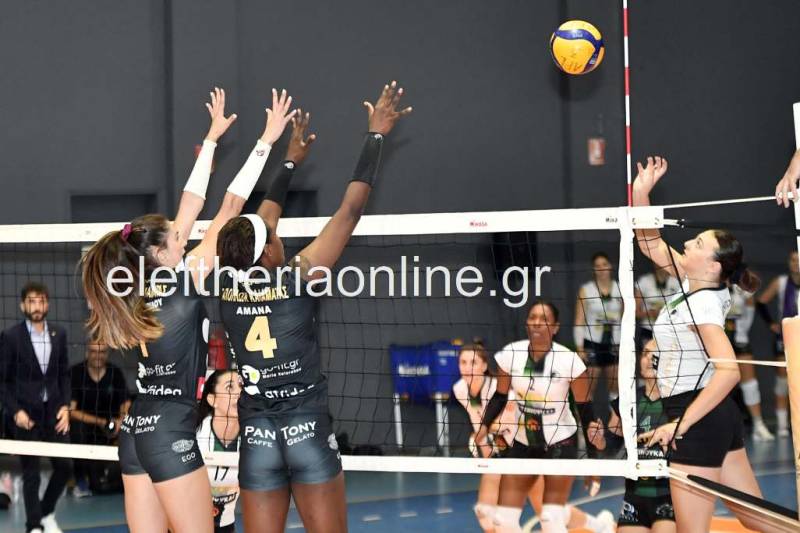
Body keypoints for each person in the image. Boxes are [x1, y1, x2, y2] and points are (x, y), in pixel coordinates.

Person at [81, 87, 296, 533]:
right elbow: (230, 205)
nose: (186, 235)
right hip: (170, 430)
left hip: (137, 430)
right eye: (177, 237)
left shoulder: (136, 286)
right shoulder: (187, 277)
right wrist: (266, 142)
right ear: (162, 253)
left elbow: (190, 204)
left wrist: (212, 139)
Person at [216, 80, 411, 533]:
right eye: (275, 238)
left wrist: (289, 161)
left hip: (258, 436)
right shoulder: (297, 278)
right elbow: (349, 211)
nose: (279, 235)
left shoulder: (225, 285)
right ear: (267, 252)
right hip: (306, 429)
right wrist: (376, 135)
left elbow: (262, 222)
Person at [632, 155, 767, 533]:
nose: (687, 242)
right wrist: (641, 192)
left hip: (696, 415)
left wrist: (680, 424)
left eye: (698, 243)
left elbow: (729, 371)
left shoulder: (704, 304)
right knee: (757, 518)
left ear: (712, 266)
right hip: (713, 414)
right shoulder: (693, 289)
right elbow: (649, 242)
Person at [473, 301, 605, 533]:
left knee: (550, 518)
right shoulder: (511, 354)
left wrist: (593, 464)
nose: (536, 323)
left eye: (544, 319)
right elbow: (499, 396)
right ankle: (599, 525)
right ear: (526, 323)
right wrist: (483, 427)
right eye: (532, 317)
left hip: (561, 442)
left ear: (555, 327)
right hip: (524, 442)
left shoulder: (569, 361)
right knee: (502, 521)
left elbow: (586, 411)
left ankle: (598, 525)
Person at [0, 282, 71, 533]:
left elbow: (64, 374)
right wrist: (15, 411)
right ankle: (34, 526)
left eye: (41, 301)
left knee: (65, 467)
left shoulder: (59, 333)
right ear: (23, 305)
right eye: (32, 301)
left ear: (47, 304)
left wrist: (66, 407)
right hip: (25, 414)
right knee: (31, 474)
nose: (37, 306)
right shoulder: (11, 337)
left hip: (54, 412)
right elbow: (3, 381)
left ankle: (45, 512)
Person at [588, 340, 675, 533]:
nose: (649, 359)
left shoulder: (678, 401)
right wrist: (600, 440)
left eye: (655, 354)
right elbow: (612, 445)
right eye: (645, 353)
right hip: (635, 496)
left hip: (670, 495)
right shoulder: (628, 400)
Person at [70, 337, 131, 496]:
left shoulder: (115, 372)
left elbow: (126, 401)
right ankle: (80, 480)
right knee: (77, 429)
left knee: (130, 428)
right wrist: (101, 422)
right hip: (86, 427)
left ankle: (124, 478)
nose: (98, 355)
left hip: (110, 429)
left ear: (107, 354)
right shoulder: (76, 372)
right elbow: (71, 411)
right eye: (94, 351)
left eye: (102, 352)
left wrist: (121, 420)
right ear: (87, 353)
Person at [755, 249, 798, 438]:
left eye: (799, 260)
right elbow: (761, 301)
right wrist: (772, 324)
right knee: (783, 381)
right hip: (786, 338)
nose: (796, 264)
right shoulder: (781, 282)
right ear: (788, 263)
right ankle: (782, 426)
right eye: (793, 260)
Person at [726, 285, 774, 441]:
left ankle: (758, 425)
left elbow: (750, 309)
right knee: (711, 383)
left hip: (739, 340)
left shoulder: (740, 286)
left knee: (750, 384)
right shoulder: (706, 284)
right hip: (715, 341)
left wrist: (742, 333)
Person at [196, 369, 241, 533]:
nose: (239, 393)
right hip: (187, 521)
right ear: (212, 399)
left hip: (226, 523)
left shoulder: (253, 435)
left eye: (241, 386)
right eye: (230, 387)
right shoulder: (195, 435)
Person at [574, 252, 622, 399]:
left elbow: (625, 319)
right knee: (588, 387)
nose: (601, 268)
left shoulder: (621, 288)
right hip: (592, 343)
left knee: (616, 387)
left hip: (615, 343)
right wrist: (580, 348)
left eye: (604, 264)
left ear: (610, 266)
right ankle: (586, 414)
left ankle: (615, 414)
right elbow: (579, 321)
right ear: (593, 269)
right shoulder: (586, 290)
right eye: (597, 266)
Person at [635, 266, 681, 348]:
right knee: (648, 355)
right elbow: (635, 312)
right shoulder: (644, 281)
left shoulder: (676, 282)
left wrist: (665, 313)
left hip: (669, 330)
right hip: (648, 329)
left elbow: (682, 310)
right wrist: (650, 313)